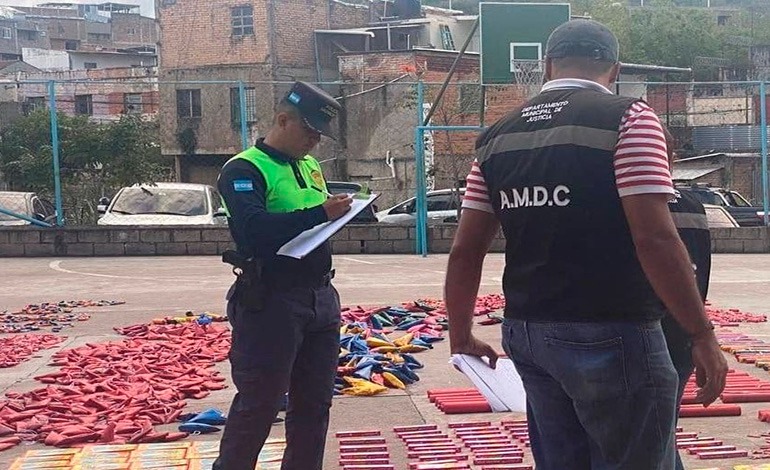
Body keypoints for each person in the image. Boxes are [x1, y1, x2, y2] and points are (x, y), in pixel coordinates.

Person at [444, 19, 728, 470]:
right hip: (611, 329)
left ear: (547, 66)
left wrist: (460, 333)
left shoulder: (496, 138)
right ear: (613, 69)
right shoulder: (628, 118)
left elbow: (465, 251)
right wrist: (700, 333)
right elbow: (655, 237)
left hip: (528, 331)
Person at [212, 81, 352, 470]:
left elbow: (312, 223)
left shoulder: (309, 166)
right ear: (282, 119)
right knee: (260, 402)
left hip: (320, 296)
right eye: (308, 131)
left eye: (319, 135)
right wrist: (321, 214)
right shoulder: (243, 169)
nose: (314, 141)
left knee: (314, 403)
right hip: (271, 299)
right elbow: (254, 228)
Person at [661, 128, 712, 470]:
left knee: (649, 439)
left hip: (640, 334)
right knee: (662, 431)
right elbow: (700, 273)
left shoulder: (624, 203)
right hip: (683, 334)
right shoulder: (693, 204)